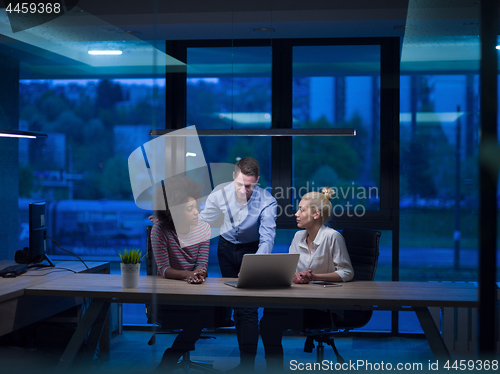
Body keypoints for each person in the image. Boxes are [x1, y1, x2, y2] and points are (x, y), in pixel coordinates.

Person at [259, 187, 354, 373]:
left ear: (316, 214)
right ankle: (274, 368)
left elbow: (347, 272)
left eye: (302, 210)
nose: (296, 214)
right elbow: (291, 267)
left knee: (272, 318)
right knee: (269, 317)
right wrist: (294, 276)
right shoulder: (298, 237)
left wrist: (314, 277)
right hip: (301, 301)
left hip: (325, 307)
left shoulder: (333, 237)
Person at [198, 157, 278, 373]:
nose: (244, 190)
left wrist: (254, 264)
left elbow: (267, 238)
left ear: (257, 181)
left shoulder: (267, 201)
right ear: (233, 177)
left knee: (249, 308)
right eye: (240, 184)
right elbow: (204, 219)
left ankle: (247, 365)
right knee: (238, 307)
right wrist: (169, 220)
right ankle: (245, 359)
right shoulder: (219, 193)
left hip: (251, 250)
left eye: (250, 185)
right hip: (225, 249)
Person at [150, 176, 211, 373]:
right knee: (197, 320)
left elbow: (202, 264)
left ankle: (171, 357)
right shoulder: (159, 229)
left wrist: (199, 273)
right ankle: (172, 356)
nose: (196, 212)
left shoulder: (204, 228)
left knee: (205, 315)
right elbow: (164, 270)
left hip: (196, 292)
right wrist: (188, 274)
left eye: (196, 206)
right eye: (189, 209)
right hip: (169, 295)